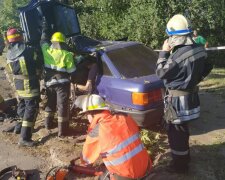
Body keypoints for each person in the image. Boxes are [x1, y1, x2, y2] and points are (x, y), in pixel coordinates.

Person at [156, 14, 213, 173]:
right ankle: (184, 158)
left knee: (176, 135)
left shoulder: (178, 55)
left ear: (174, 36)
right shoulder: (199, 49)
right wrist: (196, 79)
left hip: (178, 102)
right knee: (184, 130)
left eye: (170, 36)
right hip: (191, 98)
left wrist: (163, 53)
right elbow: (208, 66)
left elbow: (161, 72)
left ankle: (180, 167)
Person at [74, 94, 152, 180]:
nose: (87, 119)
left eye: (86, 115)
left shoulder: (99, 129)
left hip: (127, 175)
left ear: (91, 113)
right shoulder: (125, 116)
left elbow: (87, 158)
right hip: (146, 167)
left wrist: (83, 164)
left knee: (102, 177)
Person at [40, 18, 76, 137]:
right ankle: (62, 131)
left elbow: (43, 41)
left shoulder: (46, 50)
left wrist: (45, 28)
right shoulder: (67, 54)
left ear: (53, 42)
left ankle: (47, 124)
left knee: (50, 103)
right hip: (62, 84)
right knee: (62, 106)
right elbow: (72, 70)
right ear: (63, 42)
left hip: (49, 83)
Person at [6, 28, 41, 147]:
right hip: (29, 84)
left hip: (18, 84)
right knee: (31, 109)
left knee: (22, 105)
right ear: (20, 37)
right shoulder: (28, 50)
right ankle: (24, 138)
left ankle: (18, 127)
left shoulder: (9, 52)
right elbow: (38, 62)